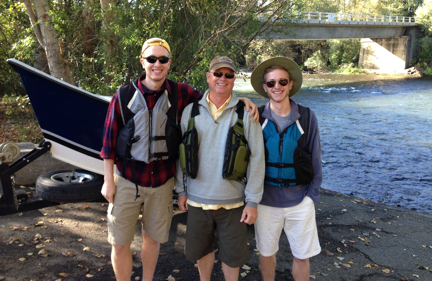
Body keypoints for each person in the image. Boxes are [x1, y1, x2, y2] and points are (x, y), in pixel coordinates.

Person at [100, 39, 258, 281]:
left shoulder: (181, 94)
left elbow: (215, 95)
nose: (157, 64)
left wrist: (244, 102)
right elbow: (108, 143)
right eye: (152, 59)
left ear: (169, 64)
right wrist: (107, 180)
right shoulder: (123, 96)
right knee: (120, 243)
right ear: (143, 62)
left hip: (162, 182)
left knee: (152, 240)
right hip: (127, 180)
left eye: (163, 59)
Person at [175, 56, 265, 281]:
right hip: (197, 200)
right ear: (208, 77)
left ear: (234, 80)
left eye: (229, 75)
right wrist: (181, 190)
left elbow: (257, 157)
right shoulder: (190, 111)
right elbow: (180, 154)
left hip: (233, 202)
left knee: (231, 257)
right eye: (218, 74)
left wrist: (252, 201)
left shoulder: (247, 113)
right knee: (202, 251)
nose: (222, 79)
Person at [250, 57, 322, 281]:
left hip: (300, 199)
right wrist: (243, 99)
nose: (277, 87)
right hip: (265, 201)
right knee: (266, 253)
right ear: (265, 88)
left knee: (301, 255)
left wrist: (312, 196)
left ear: (290, 84)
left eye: (282, 82)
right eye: (271, 83)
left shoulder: (307, 117)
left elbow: (316, 159)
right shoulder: (255, 117)